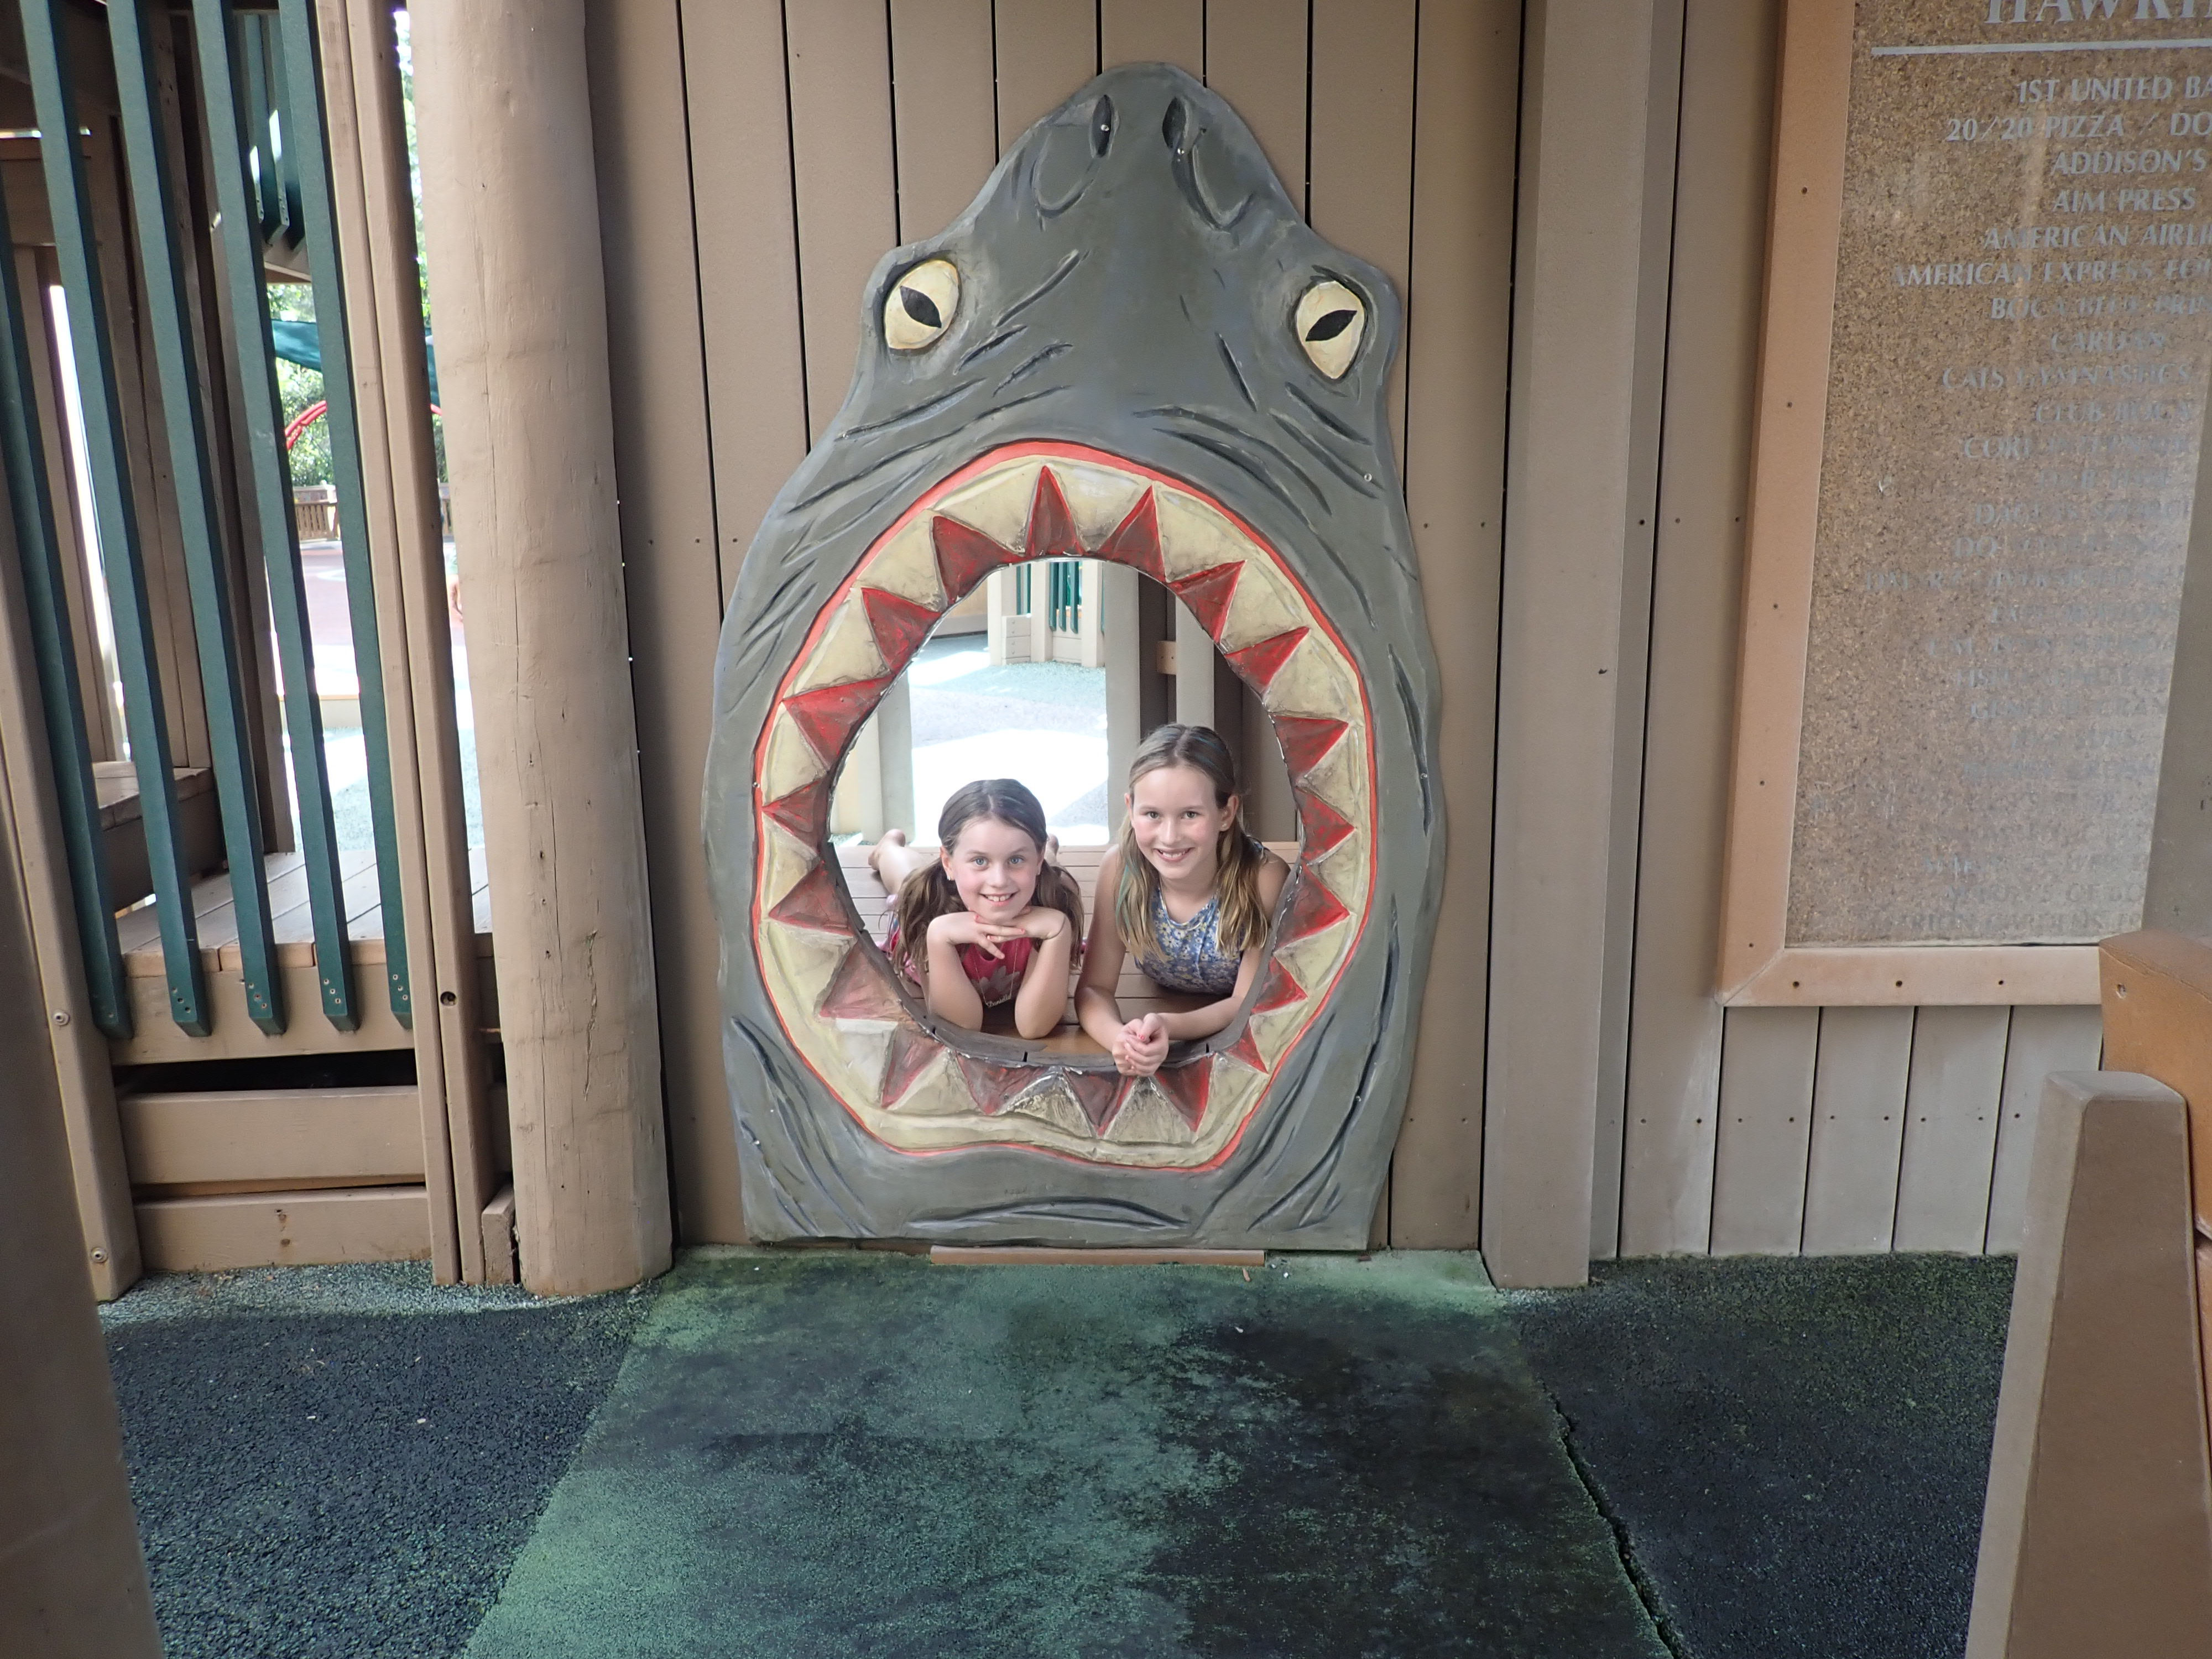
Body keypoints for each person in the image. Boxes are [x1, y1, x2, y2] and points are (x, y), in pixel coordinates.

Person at [1076, 725, 1289, 1077]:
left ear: (1226, 812)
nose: (1170, 837)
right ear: (1130, 808)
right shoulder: (1120, 869)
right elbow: (1095, 988)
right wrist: (1122, 1040)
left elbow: (1244, 1001)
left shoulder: (1261, 877)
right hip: (1155, 994)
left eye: (1190, 814)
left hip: (1220, 1012)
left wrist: (1168, 1025)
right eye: (1152, 815)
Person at [869, 779, 1084, 1040]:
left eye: (1016, 859)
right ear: (948, 862)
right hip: (938, 899)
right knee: (907, 881)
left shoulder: (1053, 900)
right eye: (980, 860)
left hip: (1034, 883)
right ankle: (888, 849)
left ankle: (1047, 849)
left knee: (1038, 877)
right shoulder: (926, 910)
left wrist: (1058, 929)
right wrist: (938, 936)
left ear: (1035, 859)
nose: (999, 880)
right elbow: (963, 1026)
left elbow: (1033, 1027)